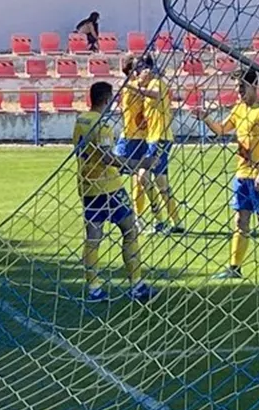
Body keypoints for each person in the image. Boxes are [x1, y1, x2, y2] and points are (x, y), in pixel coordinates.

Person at [192, 68, 259, 280]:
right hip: (242, 174)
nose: (239, 92)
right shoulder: (238, 109)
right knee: (240, 220)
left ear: (254, 86)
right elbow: (221, 129)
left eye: (242, 87)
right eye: (237, 88)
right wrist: (206, 118)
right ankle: (234, 267)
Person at [74, 81, 153, 302]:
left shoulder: (81, 120)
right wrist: (140, 164)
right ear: (107, 99)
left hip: (87, 186)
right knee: (130, 231)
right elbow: (108, 157)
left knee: (93, 238)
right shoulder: (103, 125)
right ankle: (136, 285)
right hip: (109, 187)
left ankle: (94, 289)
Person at [125, 60, 183, 234]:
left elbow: (156, 94)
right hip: (154, 138)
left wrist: (135, 88)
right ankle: (176, 222)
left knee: (143, 175)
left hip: (160, 138)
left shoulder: (156, 83)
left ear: (147, 71)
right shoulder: (151, 83)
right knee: (160, 181)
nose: (139, 74)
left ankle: (159, 218)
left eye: (141, 71)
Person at [117, 57, 149, 216]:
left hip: (143, 138)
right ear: (130, 71)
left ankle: (138, 215)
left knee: (140, 179)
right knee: (112, 173)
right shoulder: (129, 87)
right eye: (139, 67)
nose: (143, 70)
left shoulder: (144, 86)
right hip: (129, 137)